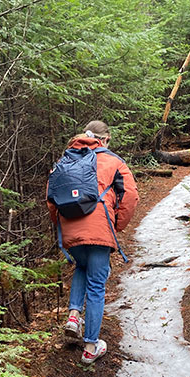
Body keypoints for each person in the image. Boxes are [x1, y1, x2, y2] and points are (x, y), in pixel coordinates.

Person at [47, 120, 139, 364]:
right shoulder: (113, 161)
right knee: (97, 285)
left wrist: (63, 223)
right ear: (105, 139)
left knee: (81, 266)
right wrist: (116, 225)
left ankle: (74, 316)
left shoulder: (65, 160)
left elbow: (51, 198)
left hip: (70, 227)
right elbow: (130, 195)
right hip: (99, 227)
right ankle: (90, 347)